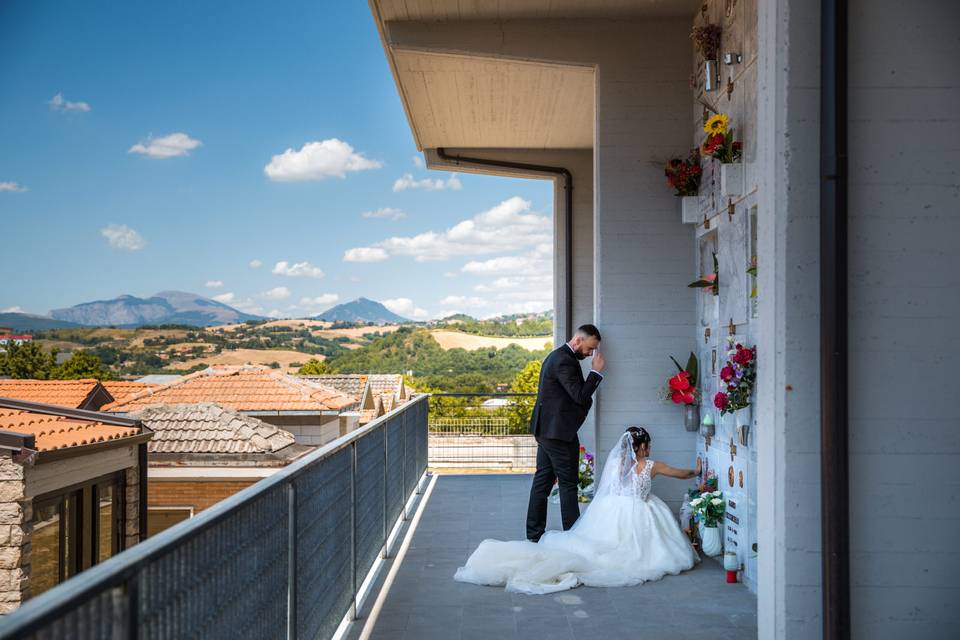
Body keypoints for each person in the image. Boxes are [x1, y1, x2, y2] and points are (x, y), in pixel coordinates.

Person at [454, 427, 701, 594]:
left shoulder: (615, 463)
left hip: (609, 510)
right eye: (648, 445)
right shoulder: (651, 465)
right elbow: (680, 474)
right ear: (644, 446)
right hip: (638, 511)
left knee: (597, 544)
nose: (649, 449)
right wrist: (696, 471)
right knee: (631, 550)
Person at [526, 324, 605, 542]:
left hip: (550, 431)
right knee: (568, 483)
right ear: (578, 340)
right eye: (590, 349)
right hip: (557, 433)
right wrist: (596, 372)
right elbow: (579, 396)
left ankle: (534, 535)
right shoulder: (563, 360)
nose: (590, 354)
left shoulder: (559, 357)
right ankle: (573, 536)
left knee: (542, 482)